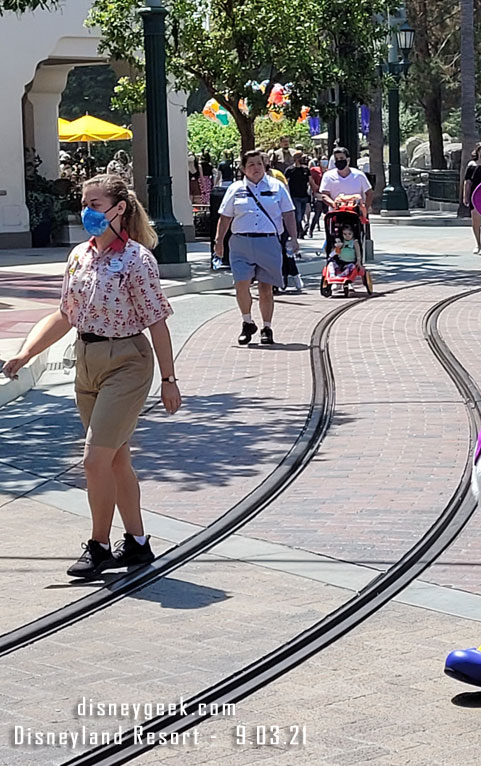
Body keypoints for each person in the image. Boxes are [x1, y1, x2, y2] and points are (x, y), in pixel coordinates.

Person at [1, 174, 180, 580]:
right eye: (85, 203)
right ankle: (136, 541)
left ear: (119, 208)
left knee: (93, 458)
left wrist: (169, 380)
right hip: (87, 357)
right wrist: (28, 351)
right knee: (115, 458)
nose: (87, 212)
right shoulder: (80, 255)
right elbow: (66, 314)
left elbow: (157, 323)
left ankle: (99, 545)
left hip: (127, 361)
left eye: (95, 204)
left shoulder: (137, 260)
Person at [215, 150, 299, 346]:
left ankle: (267, 327)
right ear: (243, 169)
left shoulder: (277, 187)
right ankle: (247, 322)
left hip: (268, 242)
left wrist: (294, 238)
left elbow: (288, 213)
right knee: (241, 284)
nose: (256, 168)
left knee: (265, 288)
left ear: (265, 166)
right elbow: (225, 217)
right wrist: (218, 242)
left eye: (259, 164)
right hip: (240, 242)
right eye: (251, 164)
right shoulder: (235, 189)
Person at [319, 146, 372, 253]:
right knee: (336, 240)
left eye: (341, 158)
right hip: (336, 215)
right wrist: (333, 204)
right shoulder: (328, 176)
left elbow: (369, 192)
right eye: (337, 159)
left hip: (355, 215)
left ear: (348, 159)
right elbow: (324, 194)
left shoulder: (359, 175)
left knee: (356, 241)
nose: (339, 161)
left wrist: (365, 209)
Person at [326, 223, 362, 297]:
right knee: (330, 264)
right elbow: (335, 252)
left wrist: (359, 260)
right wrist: (337, 247)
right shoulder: (341, 242)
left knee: (351, 268)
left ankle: (340, 277)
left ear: (352, 233)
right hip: (340, 262)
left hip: (350, 262)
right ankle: (332, 277)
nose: (347, 236)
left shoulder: (354, 242)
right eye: (345, 234)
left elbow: (358, 252)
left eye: (349, 234)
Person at [285, 154, 312, 242]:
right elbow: (286, 183)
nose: (301, 159)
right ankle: (300, 231)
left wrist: (314, 190)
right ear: (295, 159)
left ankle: (300, 230)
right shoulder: (290, 170)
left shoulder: (306, 169)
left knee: (303, 213)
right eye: (299, 157)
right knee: (298, 215)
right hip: (294, 196)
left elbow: (310, 181)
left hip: (304, 195)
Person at [308, 158, 325, 237]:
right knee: (317, 214)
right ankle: (311, 230)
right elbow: (311, 181)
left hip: (328, 195)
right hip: (318, 194)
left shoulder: (330, 171)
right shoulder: (314, 170)